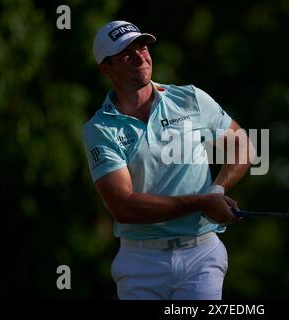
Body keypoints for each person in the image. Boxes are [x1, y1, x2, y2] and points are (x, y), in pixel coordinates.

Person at [82, 20, 253, 300]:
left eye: (142, 46)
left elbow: (242, 145)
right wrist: (201, 202)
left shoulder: (189, 98)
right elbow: (124, 206)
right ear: (106, 68)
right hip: (140, 264)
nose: (140, 55)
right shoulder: (100, 129)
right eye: (126, 53)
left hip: (201, 255)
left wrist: (216, 190)